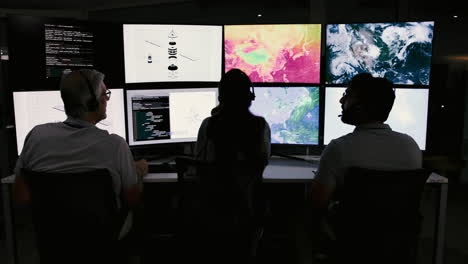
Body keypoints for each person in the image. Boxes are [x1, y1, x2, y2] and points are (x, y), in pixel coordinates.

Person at [13, 69, 148, 242]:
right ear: (92, 103)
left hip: (53, 238)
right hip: (102, 238)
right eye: (105, 94)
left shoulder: (36, 136)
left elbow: (20, 196)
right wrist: (138, 174)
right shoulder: (115, 145)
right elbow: (132, 199)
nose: (107, 99)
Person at [194, 68, 271, 263]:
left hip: (212, 214)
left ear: (221, 97)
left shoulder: (208, 126)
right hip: (247, 213)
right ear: (250, 96)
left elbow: (200, 163)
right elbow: (262, 164)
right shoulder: (260, 127)